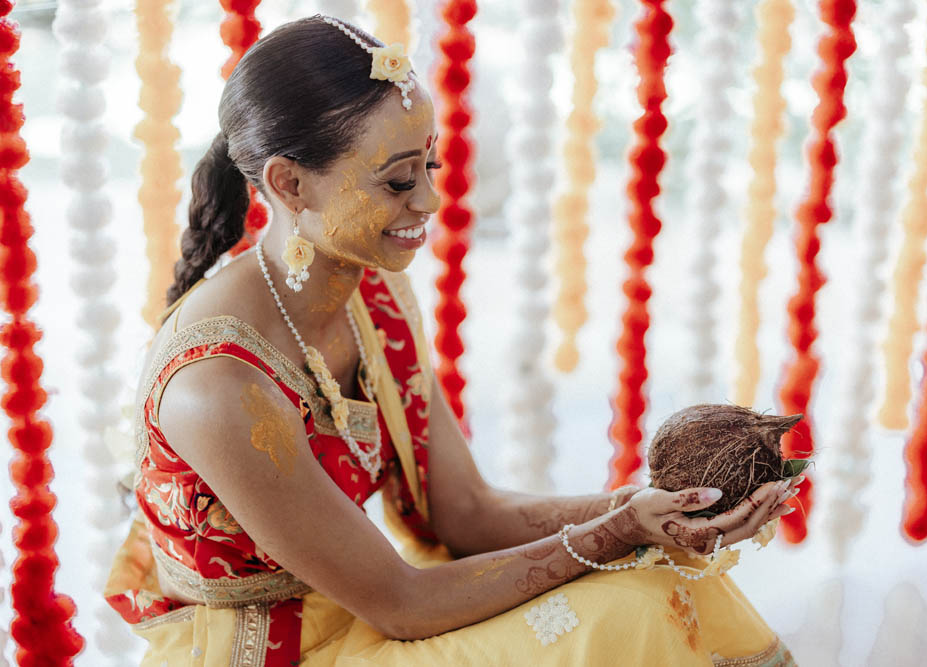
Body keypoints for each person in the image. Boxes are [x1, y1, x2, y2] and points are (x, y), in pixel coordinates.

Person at [104, 15, 800, 666]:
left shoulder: (371, 291)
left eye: (429, 166)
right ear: (289, 183)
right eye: (397, 180)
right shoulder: (216, 384)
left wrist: (650, 510)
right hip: (276, 649)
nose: (431, 201)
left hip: (368, 604)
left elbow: (465, 512)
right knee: (627, 611)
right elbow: (401, 602)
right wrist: (618, 531)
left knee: (659, 583)